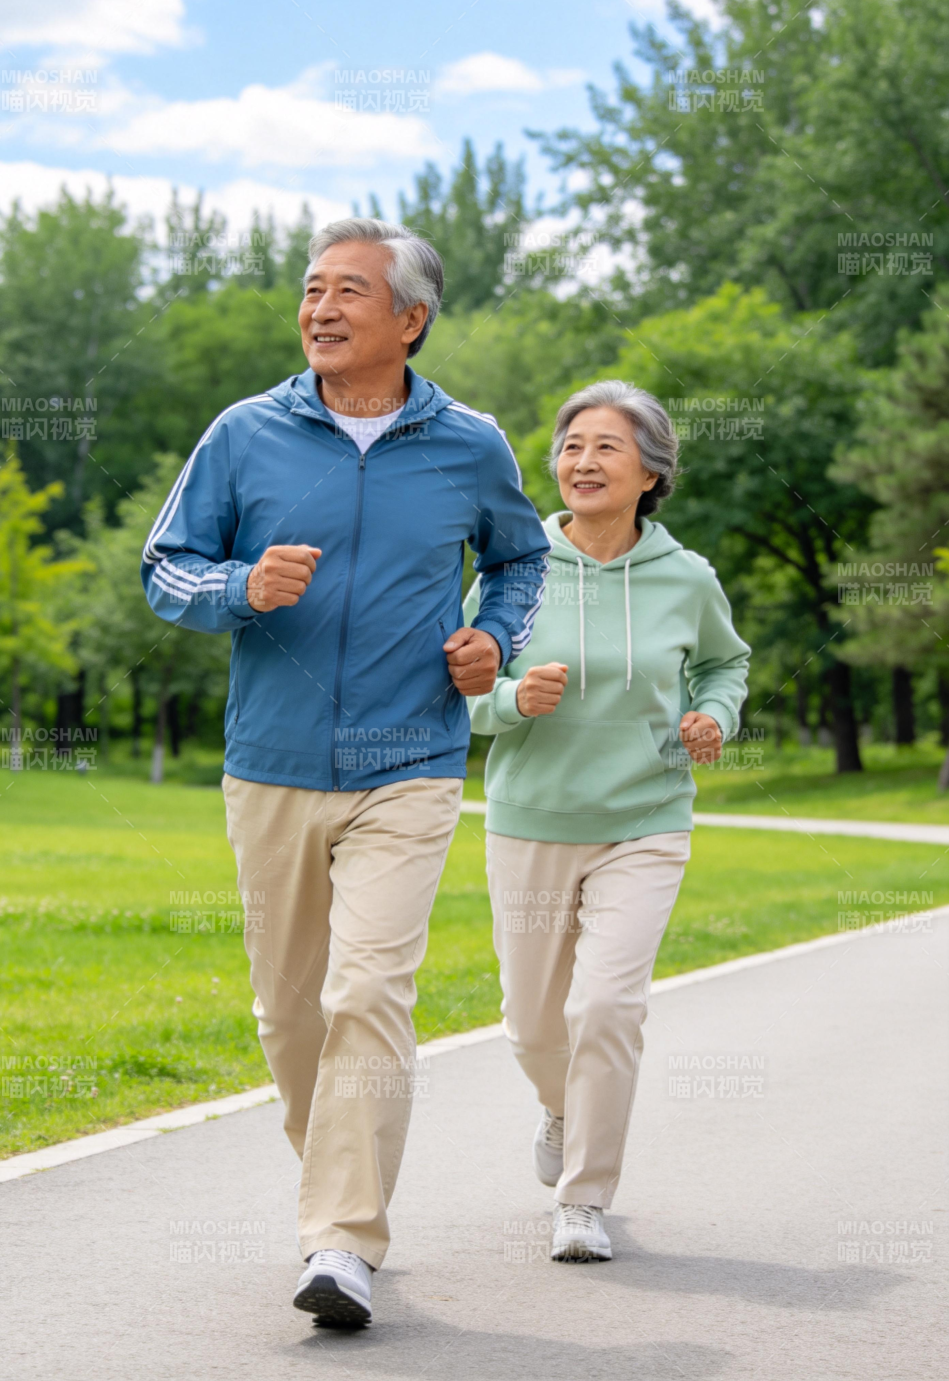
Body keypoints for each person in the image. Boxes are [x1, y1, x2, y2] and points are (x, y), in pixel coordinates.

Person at [142, 218, 550, 1327]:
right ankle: (337, 1185)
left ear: (411, 319)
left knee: (368, 989)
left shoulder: (470, 444)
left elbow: (520, 557)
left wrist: (493, 640)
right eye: (312, 290)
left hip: (409, 762)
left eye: (348, 293)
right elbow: (164, 566)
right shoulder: (243, 434)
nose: (320, 309)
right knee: (290, 1015)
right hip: (269, 764)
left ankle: (341, 1240)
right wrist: (238, 589)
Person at [466, 379, 750, 1263]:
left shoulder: (686, 577)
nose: (582, 462)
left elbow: (724, 667)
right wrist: (514, 698)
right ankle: (560, 1106)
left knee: (607, 1007)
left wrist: (717, 717)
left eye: (606, 448)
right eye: (571, 445)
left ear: (650, 473)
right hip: (530, 820)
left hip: (647, 819)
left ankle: (583, 1197)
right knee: (533, 1024)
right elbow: (462, 693)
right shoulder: (513, 568)